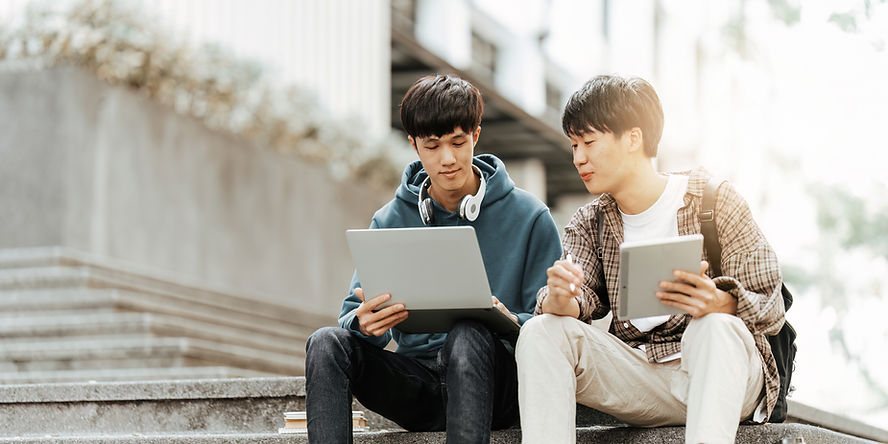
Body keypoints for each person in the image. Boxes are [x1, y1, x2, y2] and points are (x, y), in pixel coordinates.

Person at [515, 74, 786, 444]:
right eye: (574, 145)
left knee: (715, 326)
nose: (578, 158)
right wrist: (561, 299)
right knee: (540, 330)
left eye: (589, 142)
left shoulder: (714, 200)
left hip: (724, 376)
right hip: (643, 378)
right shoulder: (590, 222)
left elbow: (771, 305)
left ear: (633, 138)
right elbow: (579, 302)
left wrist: (719, 302)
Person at [305, 74, 562, 443]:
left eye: (458, 142)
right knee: (325, 342)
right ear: (413, 144)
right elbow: (351, 314)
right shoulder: (389, 219)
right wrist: (364, 324)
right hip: (419, 383)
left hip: (499, 385)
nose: (448, 159)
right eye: (432, 145)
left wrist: (508, 320)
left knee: (468, 332)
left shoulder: (530, 216)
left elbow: (553, 327)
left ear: (476, 135)